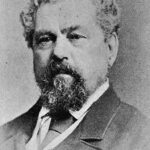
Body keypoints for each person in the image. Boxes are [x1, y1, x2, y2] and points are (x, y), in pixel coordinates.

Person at [0, 0, 149, 149]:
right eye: (45, 39)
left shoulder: (141, 138)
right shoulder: (5, 134)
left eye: (75, 37)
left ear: (110, 48)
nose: (58, 52)